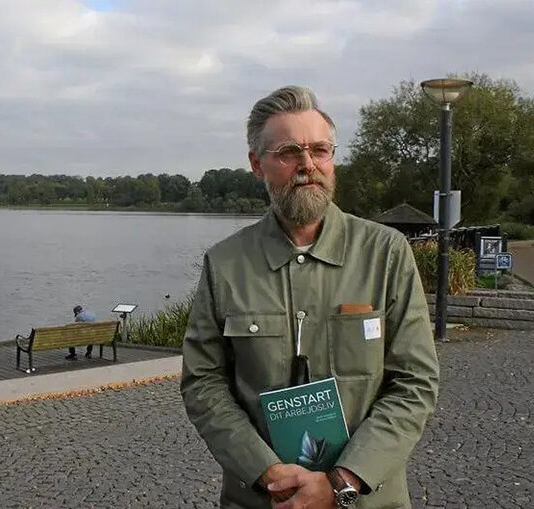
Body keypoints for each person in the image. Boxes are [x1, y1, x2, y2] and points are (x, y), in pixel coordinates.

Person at [180, 86, 439, 509]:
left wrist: (342, 482)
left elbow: (415, 382)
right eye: (287, 152)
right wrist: (266, 472)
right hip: (262, 499)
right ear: (255, 164)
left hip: (368, 499)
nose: (307, 165)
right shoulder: (224, 264)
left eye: (320, 150)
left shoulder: (386, 254)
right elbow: (203, 384)